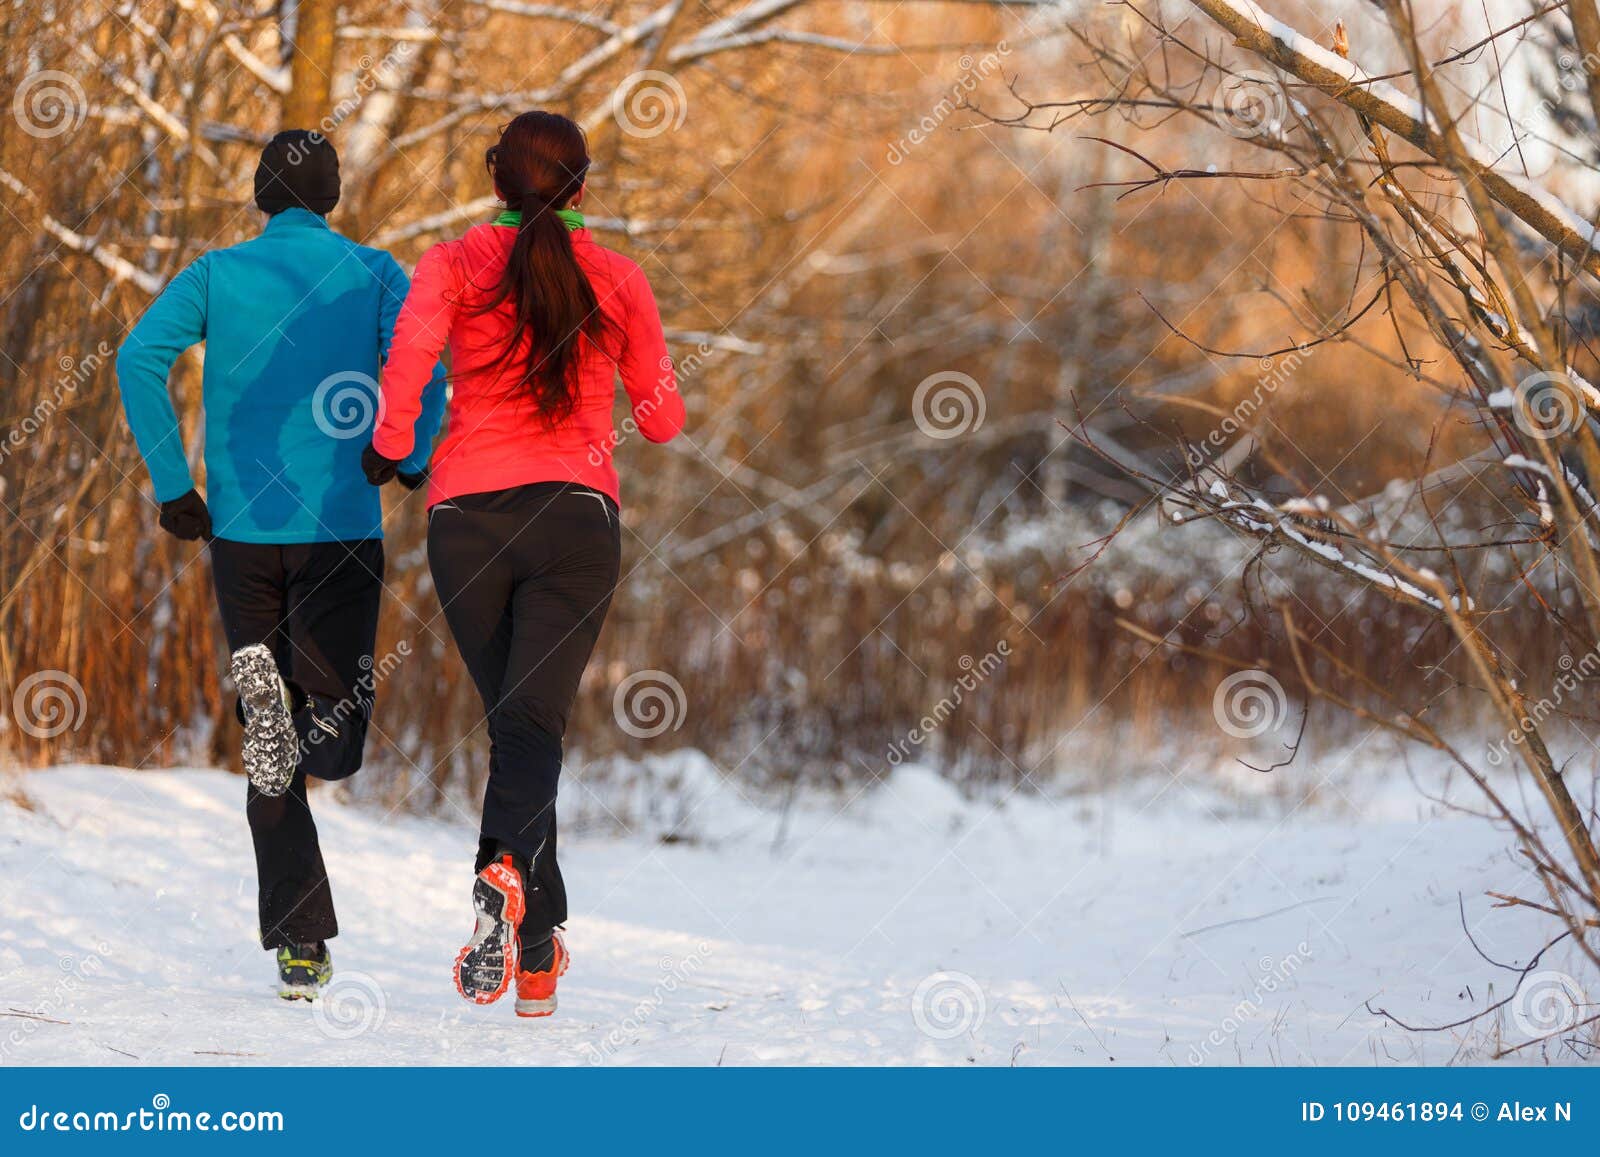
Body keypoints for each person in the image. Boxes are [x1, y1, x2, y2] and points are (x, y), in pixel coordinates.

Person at [363, 111, 684, 1018]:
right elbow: (660, 417)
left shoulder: (452, 263)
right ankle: (510, 893)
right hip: (576, 521)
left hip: (466, 519)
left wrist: (390, 445)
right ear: (582, 187)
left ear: (496, 181)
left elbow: (411, 362)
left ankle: (533, 939)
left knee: (518, 724)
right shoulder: (617, 277)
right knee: (530, 725)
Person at [115, 130, 447, 1000]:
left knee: (273, 741)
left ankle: (300, 939)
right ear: (331, 197)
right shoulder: (377, 273)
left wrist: (173, 484)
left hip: (240, 536)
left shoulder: (215, 275)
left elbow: (137, 356)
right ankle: (303, 909)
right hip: (340, 528)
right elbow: (429, 363)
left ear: (262, 198)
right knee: (327, 740)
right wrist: (405, 453)